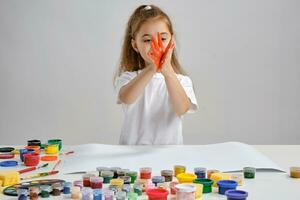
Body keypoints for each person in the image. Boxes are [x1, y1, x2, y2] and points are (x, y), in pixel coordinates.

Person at [114, 5, 198, 145]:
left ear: (171, 41)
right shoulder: (128, 78)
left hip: (168, 156)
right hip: (131, 154)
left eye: (163, 39)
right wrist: (153, 67)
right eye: (147, 40)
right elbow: (126, 98)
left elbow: (182, 109)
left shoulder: (182, 81)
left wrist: (168, 72)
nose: (155, 46)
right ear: (135, 45)